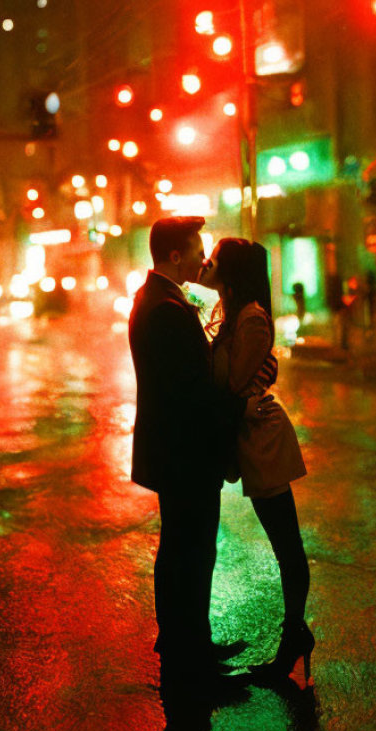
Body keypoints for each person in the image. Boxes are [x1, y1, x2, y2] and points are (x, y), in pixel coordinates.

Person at [128, 217, 269, 692]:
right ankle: (193, 665)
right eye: (196, 250)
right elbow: (191, 393)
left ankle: (188, 643)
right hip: (184, 453)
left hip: (176, 451)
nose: (202, 258)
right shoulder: (166, 308)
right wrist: (242, 406)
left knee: (183, 552)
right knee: (190, 554)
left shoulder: (160, 298)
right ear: (174, 255)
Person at [199, 238, 313, 683]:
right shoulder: (236, 315)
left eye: (214, 261)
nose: (207, 264)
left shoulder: (250, 320)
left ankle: (293, 640)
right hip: (250, 435)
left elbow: (230, 384)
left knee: (287, 545)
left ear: (233, 272)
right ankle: (294, 639)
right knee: (285, 542)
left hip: (262, 438)